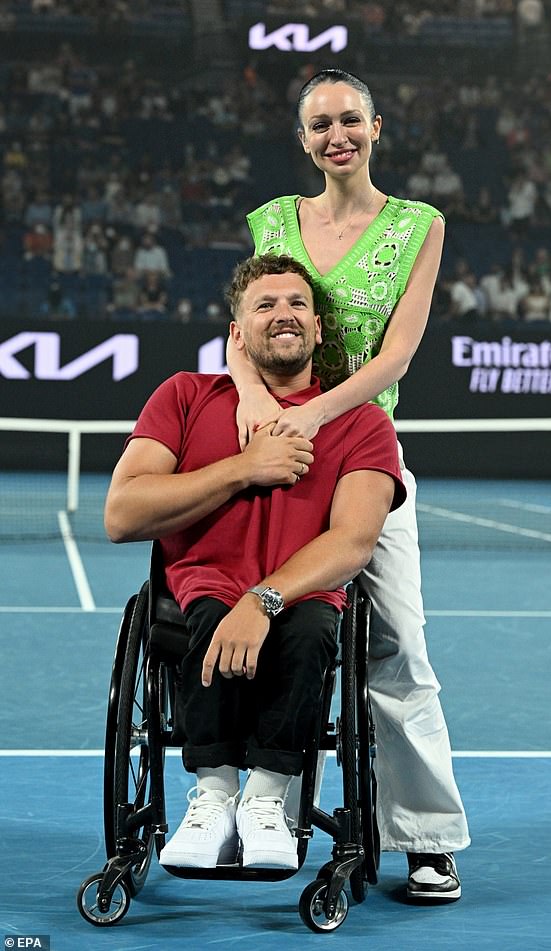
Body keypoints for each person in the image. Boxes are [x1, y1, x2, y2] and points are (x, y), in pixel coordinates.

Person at [228, 68, 469, 902]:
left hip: (366, 449)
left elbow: (397, 356)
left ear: (376, 128)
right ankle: (274, 816)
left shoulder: (417, 225)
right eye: (321, 124)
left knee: (398, 645)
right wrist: (258, 400)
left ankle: (428, 839)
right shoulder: (272, 222)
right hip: (281, 457)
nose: (337, 135)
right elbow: (244, 326)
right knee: (285, 629)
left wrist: (315, 414)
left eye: (351, 121)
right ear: (304, 139)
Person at [104, 253, 405, 871]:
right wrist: (246, 467)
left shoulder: (364, 423)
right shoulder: (185, 395)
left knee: (313, 629)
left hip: (299, 599)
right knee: (208, 619)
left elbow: (353, 540)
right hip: (199, 594)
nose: (283, 314)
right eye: (264, 305)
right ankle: (212, 799)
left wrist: (263, 599)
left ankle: (266, 802)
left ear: (319, 328)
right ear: (237, 335)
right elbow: (122, 514)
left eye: (297, 303)